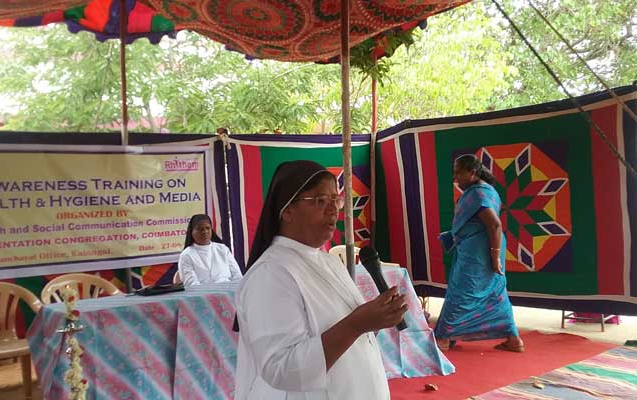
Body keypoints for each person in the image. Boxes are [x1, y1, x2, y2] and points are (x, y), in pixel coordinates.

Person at [234, 160, 407, 400]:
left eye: (335, 200)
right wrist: (356, 324)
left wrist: (375, 319)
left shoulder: (329, 262)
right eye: (319, 200)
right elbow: (281, 368)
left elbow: (344, 329)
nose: (333, 209)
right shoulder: (270, 274)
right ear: (287, 210)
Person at [435, 154, 524, 353]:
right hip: (483, 249)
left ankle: (443, 337)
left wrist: (494, 257)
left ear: (473, 173)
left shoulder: (479, 194)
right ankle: (513, 339)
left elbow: (494, 225)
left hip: (479, 254)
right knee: (495, 293)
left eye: (459, 173)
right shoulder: (486, 191)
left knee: (461, 293)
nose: (455, 178)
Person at [178, 214, 242, 286]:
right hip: (201, 295)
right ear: (192, 232)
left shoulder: (223, 249)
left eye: (207, 228)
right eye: (200, 229)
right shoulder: (187, 255)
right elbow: (191, 284)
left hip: (228, 292)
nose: (205, 232)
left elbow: (237, 276)